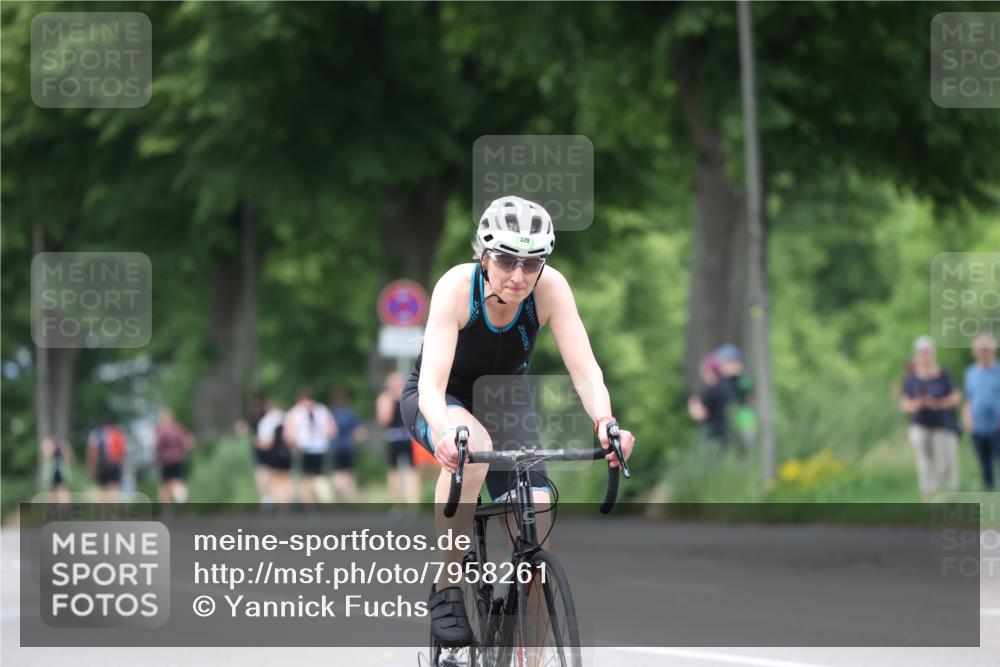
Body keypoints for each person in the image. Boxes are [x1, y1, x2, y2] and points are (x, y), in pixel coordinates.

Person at [399, 195, 635, 648]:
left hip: (505, 399)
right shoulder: (455, 287)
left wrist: (606, 422)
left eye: (532, 263)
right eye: (507, 261)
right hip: (441, 395)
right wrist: (447, 433)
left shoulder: (551, 289)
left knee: (540, 505)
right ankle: (448, 588)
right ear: (482, 255)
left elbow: (585, 372)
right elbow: (431, 385)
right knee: (471, 453)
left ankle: (528, 648)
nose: (519, 276)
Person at [900, 336, 961, 501]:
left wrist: (938, 403)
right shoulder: (911, 377)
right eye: (921, 353)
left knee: (944, 460)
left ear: (933, 354)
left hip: (942, 423)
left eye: (927, 352)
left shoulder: (944, 374)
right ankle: (926, 495)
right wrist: (916, 404)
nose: (924, 356)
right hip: (920, 423)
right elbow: (904, 402)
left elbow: (956, 397)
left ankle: (947, 494)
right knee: (923, 460)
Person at [284, 386, 337, 504]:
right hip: (306, 449)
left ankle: (315, 503)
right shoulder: (297, 412)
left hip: (317, 448)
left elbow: (331, 430)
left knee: (314, 478)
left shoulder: (320, 411)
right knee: (312, 478)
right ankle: (313, 503)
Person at [963, 333, 1000, 490]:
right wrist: (968, 420)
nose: (984, 352)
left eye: (987, 348)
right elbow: (968, 399)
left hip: (997, 425)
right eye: (980, 349)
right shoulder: (970, 373)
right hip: (978, 426)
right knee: (984, 462)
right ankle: (990, 493)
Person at [378, 372, 419, 503]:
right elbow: (384, 420)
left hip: (408, 437)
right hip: (393, 437)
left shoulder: (407, 397)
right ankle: (397, 500)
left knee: (412, 470)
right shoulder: (385, 398)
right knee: (394, 470)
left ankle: (413, 500)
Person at [328, 388, 368, 501]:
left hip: (337, 447)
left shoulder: (331, 414)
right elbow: (360, 433)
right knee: (348, 472)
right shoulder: (350, 414)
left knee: (338, 472)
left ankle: (342, 494)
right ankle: (347, 495)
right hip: (348, 446)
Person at [716, 343, 756, 448]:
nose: (722, 366)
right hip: (728, 423)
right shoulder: (721, 381)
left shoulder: (742, 379)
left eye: (724, 363)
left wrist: (739, 374)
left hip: (744, 420)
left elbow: (748, 392)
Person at [687, 354, 731, 447]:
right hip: (725, 432)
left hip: (712, 434)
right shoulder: (725, 386)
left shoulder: (710, 391)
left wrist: (692, 404)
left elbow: (699, 415)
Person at [155, 408, 196, 504]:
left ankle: (168, 509)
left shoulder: (160, 429)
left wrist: (157, 454)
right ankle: (182, 499)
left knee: (165, 486)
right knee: (176, 482)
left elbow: (157, 444)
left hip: (164, 460)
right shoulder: (178, 428)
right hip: (177, 459)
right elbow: (188, 442)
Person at [257, 398, 293, 505]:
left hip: (274, 455)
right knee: (287, 478)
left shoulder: (266, 421)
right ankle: (286, 503)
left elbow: (265, 443)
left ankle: (278, 502)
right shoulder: (286, 417)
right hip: (287, 454)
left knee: (277, 480)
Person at [86, 419, 126, 503]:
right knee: (115, 488)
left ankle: (105, 512)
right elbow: (123, 452)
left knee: (103, 489)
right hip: (116, 465)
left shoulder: (96, 433)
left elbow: (93, 452)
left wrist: (91, 468)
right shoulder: (117, 433)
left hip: (103, 465)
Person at [42, 435, 74, 504]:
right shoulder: (49, 455)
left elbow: (69, 458)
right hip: (51, 477)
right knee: (52, 497)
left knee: (63, 494)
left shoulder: (61, 452)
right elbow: (46, 463)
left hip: (62, 477)